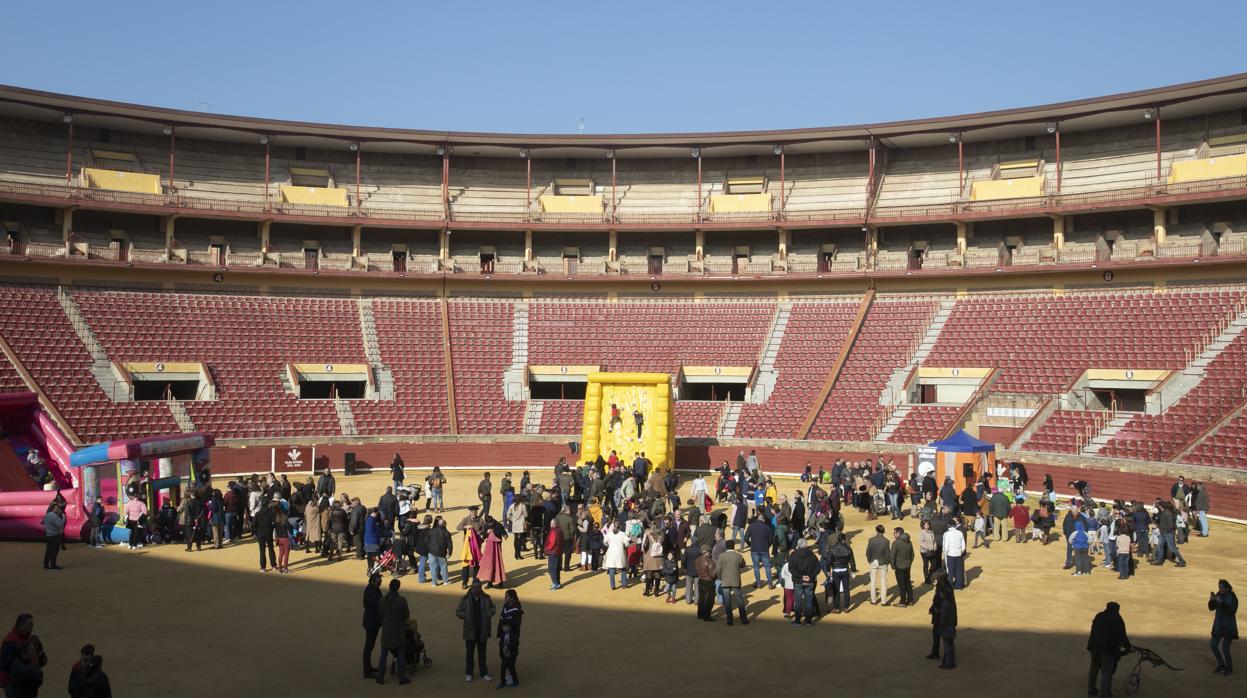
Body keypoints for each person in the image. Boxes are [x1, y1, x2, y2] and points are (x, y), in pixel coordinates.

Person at [1087, 601, 1131, 697]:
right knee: (1107, 671)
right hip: (1108, 649)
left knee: (1094, 666)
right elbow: (1122, 636)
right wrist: (1128, 647)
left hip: (1094, 646)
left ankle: (1091, 689)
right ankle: (1104, 694)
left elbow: (1092, 630)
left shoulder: (1099, 616)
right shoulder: (1118, 619)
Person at [456, 580, 496, 683]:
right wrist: (466, 616)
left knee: (482, 654)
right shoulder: (465, 599)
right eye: (473, 587)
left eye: (477, 588)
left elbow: (493, 608)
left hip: (482, 630)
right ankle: (469, 673)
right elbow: (458, 611)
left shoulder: (486, 598)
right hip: (470, 631)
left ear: (480, 588)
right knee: (469, 653)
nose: (474, 589)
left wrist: (489, 613)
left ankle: (484, 673)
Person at [377, 579, 411, 685]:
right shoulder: (402, 600)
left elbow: (380, 615)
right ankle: (402, 678)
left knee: (383, 655)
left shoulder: (382, 600)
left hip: (387, 630)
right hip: (398, 630)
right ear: (398, 588)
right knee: (400, 655)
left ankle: (380, 677)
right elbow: (406, 615)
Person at [0, 614, 45, 689]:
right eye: (30, 623)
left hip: (23, 681)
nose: (32, 626)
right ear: (21, 624)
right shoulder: (10, 641)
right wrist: (27, 659)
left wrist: (38, 655)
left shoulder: (26, 638)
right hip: (13, 683)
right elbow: (6, 664)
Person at [716, 540, 749, 626]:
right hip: (735, 581)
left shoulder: (721, 556)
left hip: (725, 581)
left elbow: (718, 570)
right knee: (740, 601)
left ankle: (729, 620)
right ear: (733, 546)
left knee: (727, 602)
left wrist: (721, 578)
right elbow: (743, 565)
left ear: (726, 547)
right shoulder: (738, 555)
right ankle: (744, 619)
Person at [928, 571, 957, 669]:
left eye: (934, 580)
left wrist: (942, 621)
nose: (933, 582)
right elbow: (936, 600)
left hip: (945, 619)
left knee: (947, 641)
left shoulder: (946, 591)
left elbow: (946, 608)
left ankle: (949, 662)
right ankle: (935, 652)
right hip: (940, 617)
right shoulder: (941, 587)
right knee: (936, 634)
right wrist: (933, 608)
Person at [1210, 579, 1238, 676]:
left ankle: (1229, 669)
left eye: (1222, 588)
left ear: (1227, 588)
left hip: (1228, 627)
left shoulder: (1233, 597)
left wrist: (1221, 603)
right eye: (1219, 588)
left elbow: (1232, 611)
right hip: (1218, 625)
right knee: (1213, 645)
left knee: (1225, 648)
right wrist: (1212, 600)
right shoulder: (1219, 594)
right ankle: (1222, 665)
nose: (1220, 589)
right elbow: (1211, 608)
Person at [496, 589, 522, 688]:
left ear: (511, 598)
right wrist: (499, 632)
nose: (504, 598)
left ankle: (511, 678)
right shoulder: (505, 606)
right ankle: (508, 677)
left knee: (509, 661)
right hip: (504, 636)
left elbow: (516, 624)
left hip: (512, 637)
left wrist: (507, 624)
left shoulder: (517, 609)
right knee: (503, 657)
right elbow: (501, 620)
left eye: (506, 596)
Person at [826, 533, 856, 614]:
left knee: (836, 589)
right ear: (843, 540)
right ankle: (846, 607)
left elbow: (829, 560)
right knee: (846, 590)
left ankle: (837, 608)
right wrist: (853, 571)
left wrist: (828, 570)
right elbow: (852, 561)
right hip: (845, 570)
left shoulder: (832, 548)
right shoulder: (848, 549)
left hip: (836, 570)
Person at [361, 573, 383, 680]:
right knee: (369, 646)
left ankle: (368, 667)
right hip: (371, 622)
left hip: (372, 620)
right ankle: (366, 670)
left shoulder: (371, 589)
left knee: (370, 646)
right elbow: (379, 603)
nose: (379, 584)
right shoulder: (371, 592)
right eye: (378, 582)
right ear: (373, 581)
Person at [866, 524, 891, 605]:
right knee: (883, 582)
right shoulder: (886, 541)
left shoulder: (871, 540)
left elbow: (868, 552)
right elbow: (888, 554)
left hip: (873, 561)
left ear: (876, 531)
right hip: (883, 562)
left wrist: (870, 560)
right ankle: (883, 601)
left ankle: (873, 600)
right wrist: (887, 562)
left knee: (873, 581)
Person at [891, 526, 915, 608]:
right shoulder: (909, 542)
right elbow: (912, 555)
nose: (893, 534)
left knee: (901, 585)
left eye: (894, 533)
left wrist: (893, 566)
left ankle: (903, 602)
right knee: (907, 582)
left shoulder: (896, 543)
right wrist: (909, 562)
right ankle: (911, 600)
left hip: (899, 566)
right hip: (908, 566)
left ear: (898, 533)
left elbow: (892, 556)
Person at [942, 521, 966, 590]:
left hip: (950, 554)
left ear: (948, 525)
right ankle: (958, 586)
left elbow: (946, 546)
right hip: (958, 554)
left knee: (950, 571)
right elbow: (963, 545)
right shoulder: (960, 533)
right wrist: (960, 552)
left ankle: (950, 586)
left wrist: (945, 553)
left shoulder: (947, 534)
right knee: (958, 570)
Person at [42, 503, 65, 570]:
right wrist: (63, 517)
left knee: (48, 551)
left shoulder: (47, 515)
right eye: (57, 508)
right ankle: (53, 565)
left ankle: (46, 565)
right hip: (55, 535)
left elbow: (44, 522)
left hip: (48, 535)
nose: (58, 510)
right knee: (54, 551)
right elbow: (59, 524)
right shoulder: (54, 516)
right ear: (53, 509)